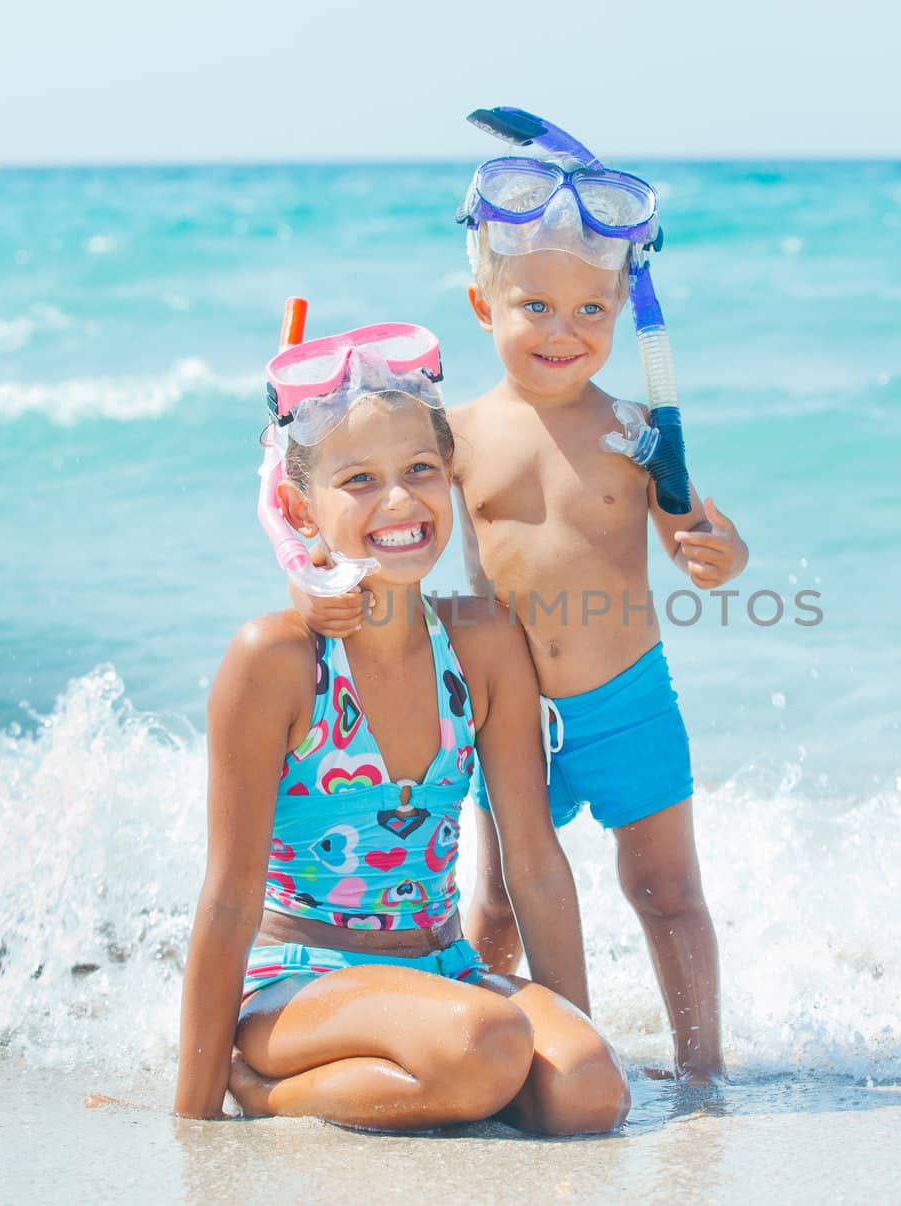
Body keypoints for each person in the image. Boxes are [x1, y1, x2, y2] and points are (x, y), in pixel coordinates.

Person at [295, 113, 749, 1082]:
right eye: (533, 307)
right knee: (498, 902)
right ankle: (515, 1059)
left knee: (667, 888)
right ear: (481, 306)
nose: (563, 333)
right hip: (502, 709)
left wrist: (720, 554)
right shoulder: (453, 435)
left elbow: (697, 536)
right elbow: (388, 518)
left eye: (591, 312)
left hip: (627, 697)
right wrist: (320, 555)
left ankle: (703, 1071)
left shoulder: (637, 429)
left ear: (623, 314)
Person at [175, 322, 629, 1132]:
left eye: (421, 469)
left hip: (442, 969)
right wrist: (194, 1114)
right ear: (294, 506)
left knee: (589, 1091)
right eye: (358, 479)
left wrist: (576, 1038)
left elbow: (532, 861)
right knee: (484, 1044)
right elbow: (228, 900)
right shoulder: (278, 661)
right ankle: (260, 1090)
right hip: (297, 987)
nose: (399, 501)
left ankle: (475, 1065)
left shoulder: (482, 643)